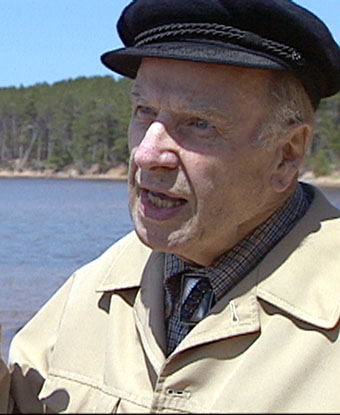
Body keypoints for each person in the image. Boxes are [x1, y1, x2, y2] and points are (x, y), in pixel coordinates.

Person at [6, 0, 340, 412]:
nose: (146, 154)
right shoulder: (92, 290)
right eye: (144, 112)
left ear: (287, 153)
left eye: (199, 123)